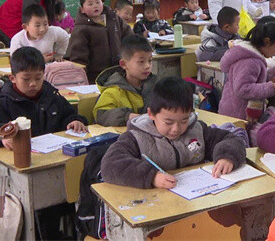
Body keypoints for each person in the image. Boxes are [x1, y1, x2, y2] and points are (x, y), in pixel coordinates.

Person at [100, 77, 246, 189]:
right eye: (168, 122)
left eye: (184, 120)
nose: (176, 128)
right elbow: (110, 165)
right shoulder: (136, 137)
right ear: (151, 114)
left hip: (195, 195)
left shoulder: (196, 129)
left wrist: (227, 157)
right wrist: (152, 177)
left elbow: (231, 138)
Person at [0, 46, 88, 148]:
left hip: (52, 152)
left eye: (38, 78)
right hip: (20, 155)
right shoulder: (4, 103)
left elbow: (69, 115)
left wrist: (75, 121)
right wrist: (2, 136)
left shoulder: (52, 96)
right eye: (26, 79)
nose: (33, 84)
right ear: (12, 78)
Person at [219, 18, 275, 121]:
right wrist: (269, 88)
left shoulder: (253, 57)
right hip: (237, 116)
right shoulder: (250, 62)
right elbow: (242, 89)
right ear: (267, 42)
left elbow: (254, 78)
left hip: (235, 111)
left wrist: (273, 73)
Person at [67, 0, 133, 83]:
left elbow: (129, 36)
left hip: (119, 72)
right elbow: (78, 58)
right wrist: (81, 79)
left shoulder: (113, 18)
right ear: (82, 9)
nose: (95, 6)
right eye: (90, 4)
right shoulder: (81, 29)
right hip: (95, 77)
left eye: (98, 2)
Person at [93, 35, 157, 126]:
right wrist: (127, 116)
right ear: (123, 64)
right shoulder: (114, 90)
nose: (147, 66)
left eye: (150, 61)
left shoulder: (157, 86)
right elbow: (101, 114)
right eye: (141, 62)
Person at [0, 0, 69, 43]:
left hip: (12, 23)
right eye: (56, 1)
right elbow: (30, 23)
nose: (55, 3)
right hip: (6, 24)